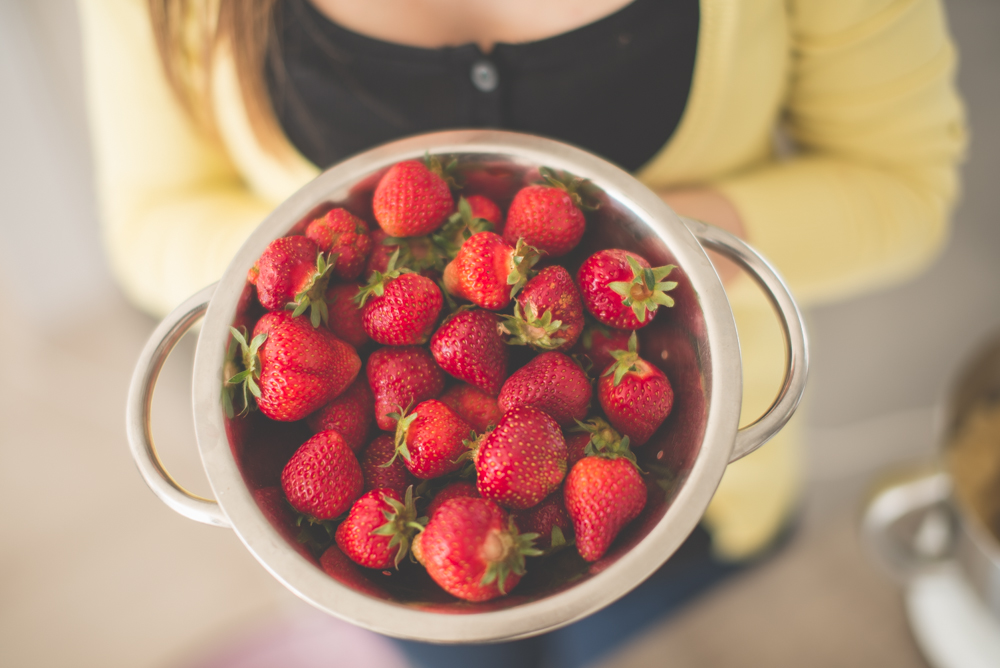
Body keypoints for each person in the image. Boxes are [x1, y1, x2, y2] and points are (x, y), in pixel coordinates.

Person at [77, 1, 966, 666]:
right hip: (398, 546)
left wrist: (660, 250)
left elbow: (905, 188)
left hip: (704, 502)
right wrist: (317, 270)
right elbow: (150, 223)